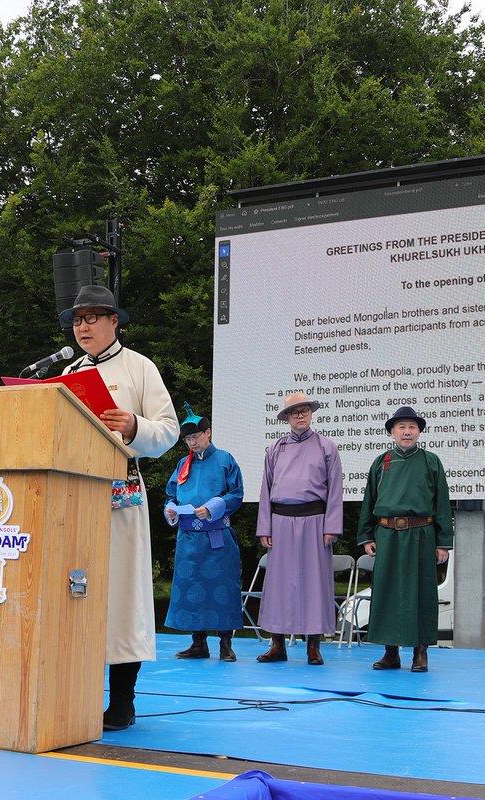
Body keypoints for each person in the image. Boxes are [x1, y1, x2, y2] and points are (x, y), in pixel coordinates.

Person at [60, 285, 178, 730]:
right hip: (73, 496)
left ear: (114, 322)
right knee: (76, 593)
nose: (83, 326)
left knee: (122, 594)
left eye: (92, 317)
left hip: (119, 495)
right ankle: (75, 693)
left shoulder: (139, 367)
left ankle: (122, 701)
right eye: (77, 319)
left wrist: (133, 426)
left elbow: (168, 430)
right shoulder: (68, 372)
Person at [356, 406, 453, 673]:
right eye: (401, 427)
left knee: (421, 592)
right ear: (392, 432)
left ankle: (420, 652)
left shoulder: (431, 461)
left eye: (412, 427)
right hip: (387, 536)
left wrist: (443, 542)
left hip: (422, 535)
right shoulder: (381, 462)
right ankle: (390, 653)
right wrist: (366, 535)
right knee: (387, 592)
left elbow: (442, 503)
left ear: (419, 432)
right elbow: (369, 500)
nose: (407, 432)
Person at [254, 391, 344, 666]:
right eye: (294, 412)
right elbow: (266, 489)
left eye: (304, 410)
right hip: (280, 521)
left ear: (311, 413)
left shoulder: (326, 447)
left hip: (315, 521)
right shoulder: (275, 448)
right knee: (279, 585)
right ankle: (277, 644)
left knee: (315, 584)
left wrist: (331, 526)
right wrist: (265, 527)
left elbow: (335, 489)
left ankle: (313, 646)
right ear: (287, 418)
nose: (300, 415)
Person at [162, 403, 244, 662]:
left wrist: (212, 507)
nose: (192, 442)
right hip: (188, 538)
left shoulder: (225, 459)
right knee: (192, 588)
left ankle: (225, 644)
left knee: (223, 589)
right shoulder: (182, 464)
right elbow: (171, 494)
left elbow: (236, 494)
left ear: (208, 432)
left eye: (195, 437)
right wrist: (170, 510)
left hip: (217, 536)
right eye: (187, 439)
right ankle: (198, 643)